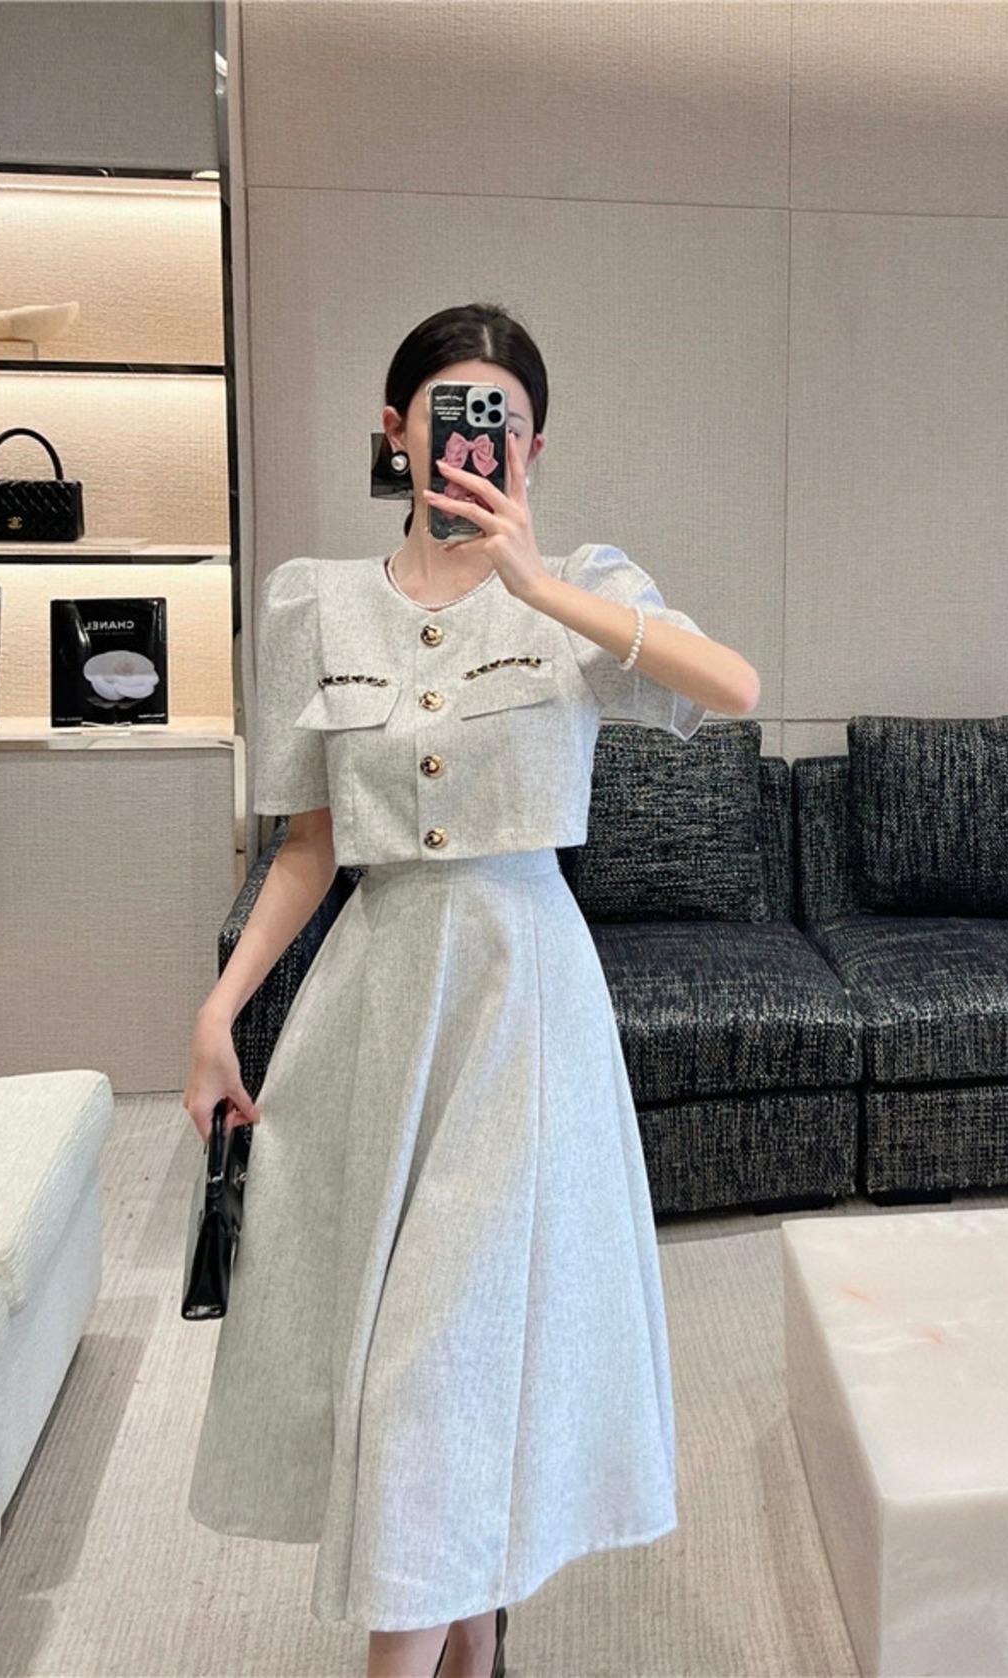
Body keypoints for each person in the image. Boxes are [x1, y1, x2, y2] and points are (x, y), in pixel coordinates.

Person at [182, 302, 760, 1678]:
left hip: (522, 1013)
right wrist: (218, 1012)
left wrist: (536, 582)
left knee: (438, 1371)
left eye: (501, 420)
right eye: (445, 408)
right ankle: (478, 1648)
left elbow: (733, 686)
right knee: (400, 1355)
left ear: (533, 449)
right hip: (374, 1011)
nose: (471, 439)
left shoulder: (581, 586)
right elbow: (310, 843)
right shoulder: (314, 602)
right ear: (396, 429)